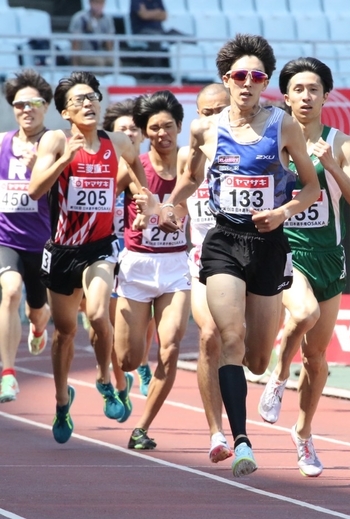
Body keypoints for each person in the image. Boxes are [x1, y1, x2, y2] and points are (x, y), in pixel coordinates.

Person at [154, 34, 320, 477]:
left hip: (268, 245)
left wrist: (283, 211)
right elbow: (188, 181)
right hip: (224, 241)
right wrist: (171, 206)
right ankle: (241, 440)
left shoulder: (283, 125)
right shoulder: (205, 128)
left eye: (257, 76)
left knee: (257, 358)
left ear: (265, 82)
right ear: (227, 80)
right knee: (229, 338)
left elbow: (312, 188)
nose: (248, 83)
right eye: (240, 76)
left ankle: (271, 366)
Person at [257, 57, 350, 478]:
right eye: (298, 89)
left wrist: (334, 165)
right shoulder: (271, 139)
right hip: (285, 250)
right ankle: (276, 375)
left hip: (329, 257)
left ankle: (303, 435)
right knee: (303, 313)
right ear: (285, 97)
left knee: (318, 357)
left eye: (314, 89)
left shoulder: (340, 143)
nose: (306, 96)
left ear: (326, 96)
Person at [29, 71, 149, 444]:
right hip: (63, 251)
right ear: (65, 111)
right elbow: (35, 190)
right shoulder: (54, 140)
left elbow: (139, 183)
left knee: (98, 313)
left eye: (93, 97)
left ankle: (103, 379)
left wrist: (142, 206)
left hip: (100, 248)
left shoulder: (119, 144)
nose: (89, 103)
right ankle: (63, 400)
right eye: (80, 99)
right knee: (64, 332)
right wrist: (64, 159)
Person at [111, 90, 191, 450]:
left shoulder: (191, 164)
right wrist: (140, 217)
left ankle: (141, 427)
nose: (163, 133)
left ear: (179, 127)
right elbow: (101, 196)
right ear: (144, 131)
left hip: (175, 265)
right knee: (129, 358)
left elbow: (183, 211)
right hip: (138, 265)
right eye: (154, 127)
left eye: (169, 126)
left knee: (171, 347)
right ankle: (130, 373)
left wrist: (163, 212)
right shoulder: (134, 166)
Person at [177, 82, 232, 463]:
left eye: (220, 111)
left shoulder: (252, 148)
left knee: (250, 352)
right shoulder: (190, 153)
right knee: (210, 336)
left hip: (248, 255)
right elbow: (182, 193)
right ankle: (217, 432)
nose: (212, 119)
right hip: (203, 259)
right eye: (205, 112)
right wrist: (169, 208)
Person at [0, 70, 53, 403]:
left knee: (37, 309)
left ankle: (37, 326)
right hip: (6, 238)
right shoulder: (2, 143)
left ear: (45, 107)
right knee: (10, 292)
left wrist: (41, 169)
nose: (26, 110)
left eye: (33, 103)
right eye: (20, 104)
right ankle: (8, 374)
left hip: (43, 243)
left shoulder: (54, 144)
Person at [101, 98, 156, 401]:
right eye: (123, 130)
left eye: (135, 129)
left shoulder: (151, 163)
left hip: (145, 249)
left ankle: (145, 362)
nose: (131, 134)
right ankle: (120, 384)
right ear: (112, 135)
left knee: (146, 316)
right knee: (111, 323)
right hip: (109, 249)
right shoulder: (106, 166)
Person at [68, 0, 115, 69]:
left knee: (115, 62)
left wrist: (111, 56)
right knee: (99, 62)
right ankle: (95, 79)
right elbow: (75, 42)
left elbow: (110, 41)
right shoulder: (79, 18)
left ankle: (112, 79)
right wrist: (75, 65)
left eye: (101, 3)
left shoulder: (107, 19)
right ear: (90, 3)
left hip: (99, 52)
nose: (98, 6)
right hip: (83, 54)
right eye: (96, 3)